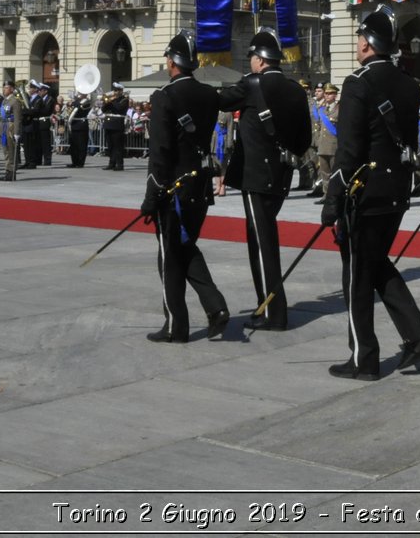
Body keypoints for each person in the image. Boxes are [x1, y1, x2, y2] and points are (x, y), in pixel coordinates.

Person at [320, 5, 420, 380]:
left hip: (363, 191)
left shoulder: (357, 83)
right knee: (375, 262)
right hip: (396, 188)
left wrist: (333, 197)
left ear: (368, 44)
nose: (356, 44)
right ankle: (416, 334)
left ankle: (364, 357)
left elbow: (349, 149)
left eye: (358, 38)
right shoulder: (407, 84)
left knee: (355, 273)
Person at [216, 28, 311, 332]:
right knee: (263, 239)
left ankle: (274, 312)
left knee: (262, 244)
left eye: (252, 59)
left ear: (259, 60)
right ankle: (267, 305)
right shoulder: (296, 89)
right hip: (282, 175)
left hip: (256, 176)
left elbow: (221, 101)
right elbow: (303, 140)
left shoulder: (250, 84)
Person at [140, 32, 229, 345]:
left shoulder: (164, 96)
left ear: (171, 61)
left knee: (169, 256)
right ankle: (215, 307)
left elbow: (160, 152)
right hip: (200, 187)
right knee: (185, 247)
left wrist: (151, 196)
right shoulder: (208, 94)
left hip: (173, 190)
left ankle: (175, 325)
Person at [0, 79, 24, 181]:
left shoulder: (15, 101)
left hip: (11, 128)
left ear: (12, 89)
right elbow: (1, 117)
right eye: (4, 87)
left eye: (6, 88)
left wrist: (17, 132)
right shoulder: (5, 100)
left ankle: (11, 173)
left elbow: (18, 118)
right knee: (6, 151)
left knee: (11, 150)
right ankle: (7, 171)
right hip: (4, 127)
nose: (4, 90)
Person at [102, 82, 129, 170]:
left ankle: (120, 164)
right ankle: (111, 163)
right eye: (115, 90)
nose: (115, 92)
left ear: (121, 91)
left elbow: (119, 108)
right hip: (109, 124)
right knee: (110, 146)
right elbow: (103, 110)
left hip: (117, 124)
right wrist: (106, 102)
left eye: (117, 90)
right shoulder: (112, 100)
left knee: (118, 146)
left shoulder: (124, 99)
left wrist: (111, 101)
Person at [66, 90, 91, 168]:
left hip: (81, 125)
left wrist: (73, 102)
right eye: (79, 93)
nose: (79, 94)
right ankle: (74, 161)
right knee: (73, 145)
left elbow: (80, 107)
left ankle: (80, 162)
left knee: (81, 145)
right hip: (74, 125)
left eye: (81, 93)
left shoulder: (87, 102)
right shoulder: (77, 101)